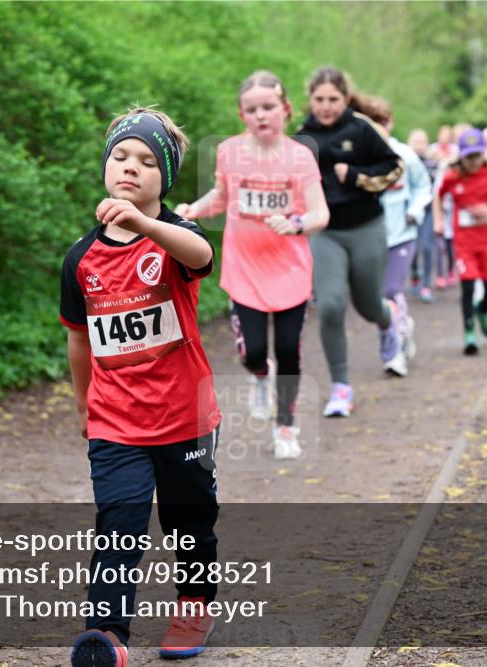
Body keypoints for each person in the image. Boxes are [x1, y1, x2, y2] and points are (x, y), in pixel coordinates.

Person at [60, 107, 222, 666]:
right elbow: (80, 341)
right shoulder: (81, 258)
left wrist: (144, 225)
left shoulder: (175, 239)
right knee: (119, 521)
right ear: (105, 165)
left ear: (165, 180)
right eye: (121, 156)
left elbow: (201, 255)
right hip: (116, 419)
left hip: (185, 417)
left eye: (149, 161)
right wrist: (83, 403)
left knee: (189, 520)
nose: (131, 167)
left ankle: (194, 603)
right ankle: (107, 636)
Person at [175, 71, 328, 458]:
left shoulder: (300, 157)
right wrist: (194, 209)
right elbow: (222, 196)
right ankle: (261, 375)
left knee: (290, 348)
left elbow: (320, 213)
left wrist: (295, 224)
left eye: (268, 107)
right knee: (253, 351)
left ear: (286, 110)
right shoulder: (229, 152)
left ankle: (286, 429)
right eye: (252, 109)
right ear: (242, 115)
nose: (261, 115)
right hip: (244, 269)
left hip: (290, 269)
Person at [294, 66, 403, 417]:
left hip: (366, 226)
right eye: (319, 99)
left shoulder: (360, 128)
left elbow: (394, 167)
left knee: (368, 305)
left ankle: (390, 320)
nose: (325, 106)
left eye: (333, 99)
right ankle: (341, 387)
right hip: (325, 233)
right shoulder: (300, 139)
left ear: (345, 98)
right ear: (309, 100)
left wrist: (355, 175)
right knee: (330, 305)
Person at [356, 96, 431, 376]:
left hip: (401, 236)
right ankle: (400, 330)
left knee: (390, 290)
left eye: (382, 122)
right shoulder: (358, 157)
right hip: (368, 238)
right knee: (375, 300)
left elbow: (424, 186)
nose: (378, 128)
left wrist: (415, 210)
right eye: (371, 122)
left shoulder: (405, 155)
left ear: (391, 123)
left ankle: (394, 351)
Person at [434, 129, 487, 355]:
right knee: (467, 285)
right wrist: (438, 221)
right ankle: (469, 332)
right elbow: (437, 196)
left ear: (483, 154)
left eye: (477, 156)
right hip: (463, 241)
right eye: (469, 157)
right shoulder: (452, 176)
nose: (473, 162)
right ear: (461, 157)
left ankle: (483, 311)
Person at [407, 128, 438, 304]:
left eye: (422, 142)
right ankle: (415, 276)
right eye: (415, 141)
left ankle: (426, 285)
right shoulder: (404, 163)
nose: (419, 145)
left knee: (427, 247)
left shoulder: (433, 163)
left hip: (427, 212)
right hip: (409, 213)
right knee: (412, 249)